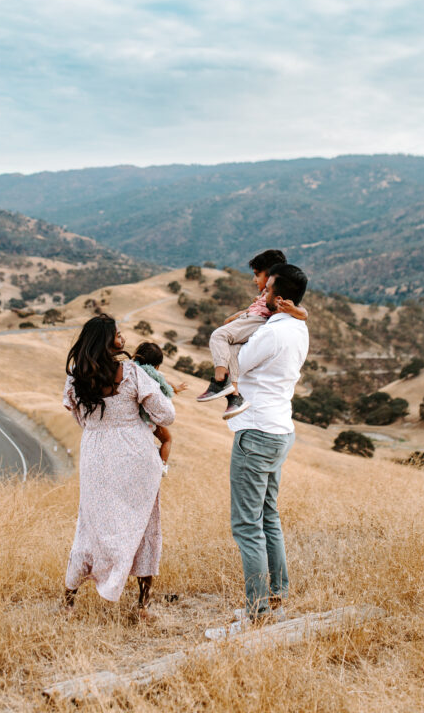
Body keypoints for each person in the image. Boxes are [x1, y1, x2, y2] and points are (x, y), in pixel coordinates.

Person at [62, 315, 175, 616]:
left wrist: (101, 429)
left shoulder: (76, 378)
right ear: (108, 340)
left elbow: (79, 418)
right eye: (118, 334)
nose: (123, 338)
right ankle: (143, 604)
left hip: (96, 454)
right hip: (135, 455)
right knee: (144, 524)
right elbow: (166, 416)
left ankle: (68, 601)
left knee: (89, 525)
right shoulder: (132, 373)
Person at [226, 262, 309, 630]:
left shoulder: (271, 333)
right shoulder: (299, 328)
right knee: (268, 516)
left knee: (246, 525)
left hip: (256, 432)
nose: (262, 294)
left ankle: (257, 612)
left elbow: (236, 366)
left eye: (267, 290)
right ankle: (278, 594)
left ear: (280, 297)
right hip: (280, 430)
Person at [197, 249, 308, 419]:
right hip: (251, 317)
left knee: (218, 336)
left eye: (257, 274)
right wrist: (236, 317)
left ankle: (220, 381)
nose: (254, 279)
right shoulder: (265, 295)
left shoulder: (278, 299)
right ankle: (235, 398)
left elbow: (303, 313)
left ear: (270, 275)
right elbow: (252, 310)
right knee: (232, 350)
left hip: (255, 321)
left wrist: (293, 309)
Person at [132, 341, 188, 473]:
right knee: (167, 439)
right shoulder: (155, 376)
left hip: (133, 417)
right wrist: (176, 388)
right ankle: (162, 465)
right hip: (149, 420)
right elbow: (166, 384)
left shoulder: (131, 369)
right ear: (157, 365)